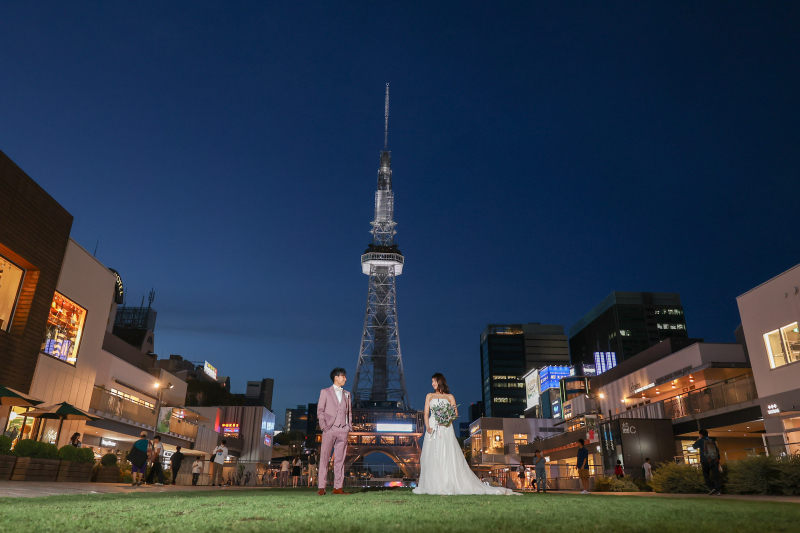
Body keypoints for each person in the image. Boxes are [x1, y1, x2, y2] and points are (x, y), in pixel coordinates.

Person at [413, 373, 518, 496]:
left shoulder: (450, 397)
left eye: (434, 381)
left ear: (440, 381)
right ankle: (434, 484)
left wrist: (446, 419)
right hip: (433, 427)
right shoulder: (429, 396)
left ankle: (448, 482)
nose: (432, 384)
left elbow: (455, 413)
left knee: (447, 453)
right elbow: (426, 414)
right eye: (432, 382)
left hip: (446, 427)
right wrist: (428, 427)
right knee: (433, 454)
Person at [317, 367, 353, 496]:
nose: (345, 379)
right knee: (324, 458)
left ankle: (338, 487)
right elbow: (320, 410)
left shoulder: (347, 394)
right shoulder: (325, 392)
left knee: (340, 460)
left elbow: (349, 412)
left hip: (343, 430)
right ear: (336, 377)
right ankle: (322, 487)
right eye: (343, 376)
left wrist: (348, 426)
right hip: (329, 429)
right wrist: (324, 427)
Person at [694, 429, 722, 495]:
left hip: (705, 461)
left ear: (701, 435)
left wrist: (697, 440)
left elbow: (694, 446)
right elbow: (717, 450)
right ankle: (718, 491)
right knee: (716, 476)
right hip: (714, 460)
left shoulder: (701, 441)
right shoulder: (712, 441)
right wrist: (718, 459)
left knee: (706, 475)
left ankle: (711, 488)